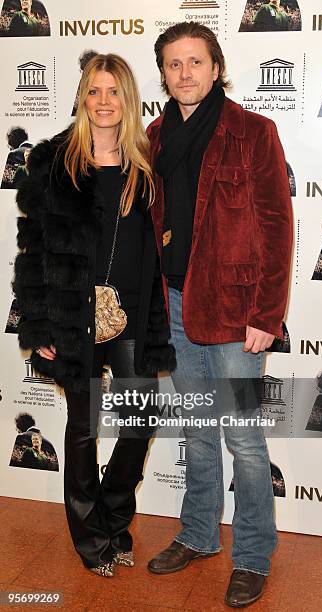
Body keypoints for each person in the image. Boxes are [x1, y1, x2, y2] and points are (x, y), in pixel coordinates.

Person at [146, 22, 293, 608]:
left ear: (215, 67)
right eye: (174, 64)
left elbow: (279, 228)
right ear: (164, 73)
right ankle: (200, 534)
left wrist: (267, 312)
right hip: (175, 304)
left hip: (236, 312)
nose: (185, 73)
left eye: (195, 62)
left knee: (245, 440)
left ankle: (253, 555)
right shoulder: (154, 134)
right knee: (198, 433)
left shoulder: (253, 131)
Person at [13, 53, 175, 578]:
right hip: (74, 319)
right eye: (94, 91)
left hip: (130, 317)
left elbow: (153, 253)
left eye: (114, 92)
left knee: (139, 421)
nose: (104, 102)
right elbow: (31, 253)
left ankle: (113, 516)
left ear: (128, 100)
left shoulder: (145, 167)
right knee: (83, 430)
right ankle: (91, 540)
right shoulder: (54, 165)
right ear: (82, 97)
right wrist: (37, 325)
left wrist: (153, 318)